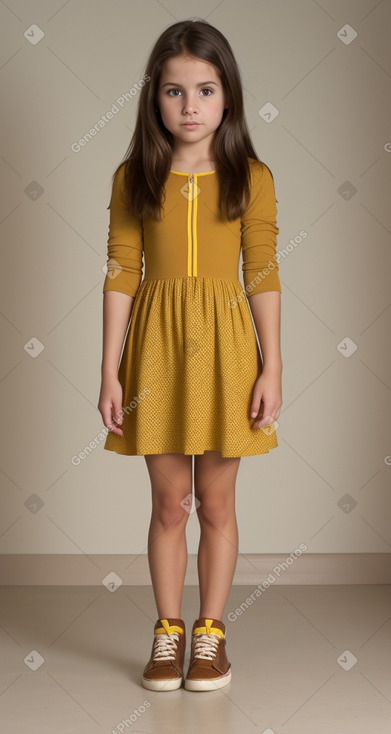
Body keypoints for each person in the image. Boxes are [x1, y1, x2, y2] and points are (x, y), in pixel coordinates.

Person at [97, 18, 283, 693]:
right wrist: (108, 368)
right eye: (174, 93)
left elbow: (261, 272)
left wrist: (272, 363)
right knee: (169, 500)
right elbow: (121, 271)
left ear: (227, 96)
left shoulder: (250, 176)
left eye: (205, 90)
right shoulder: (134, 176)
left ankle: (211, 635)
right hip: (156, 354)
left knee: (216, 502)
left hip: (228, 350)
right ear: (154, 100)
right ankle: (167, 630)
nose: (190, 106)